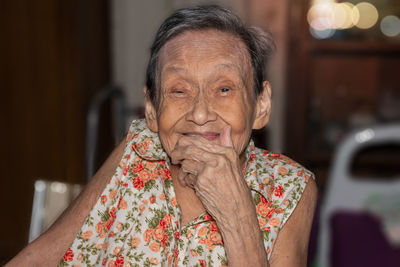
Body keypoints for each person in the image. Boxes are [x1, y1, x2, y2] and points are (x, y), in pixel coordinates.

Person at [8, 5, 317, 267]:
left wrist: (236, 213)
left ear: (260, 105)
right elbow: (41, 257)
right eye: (178, 91)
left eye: (224, 89)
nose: (199, 114)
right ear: (152, 110)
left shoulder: (289, 187)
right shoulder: (138, 149)